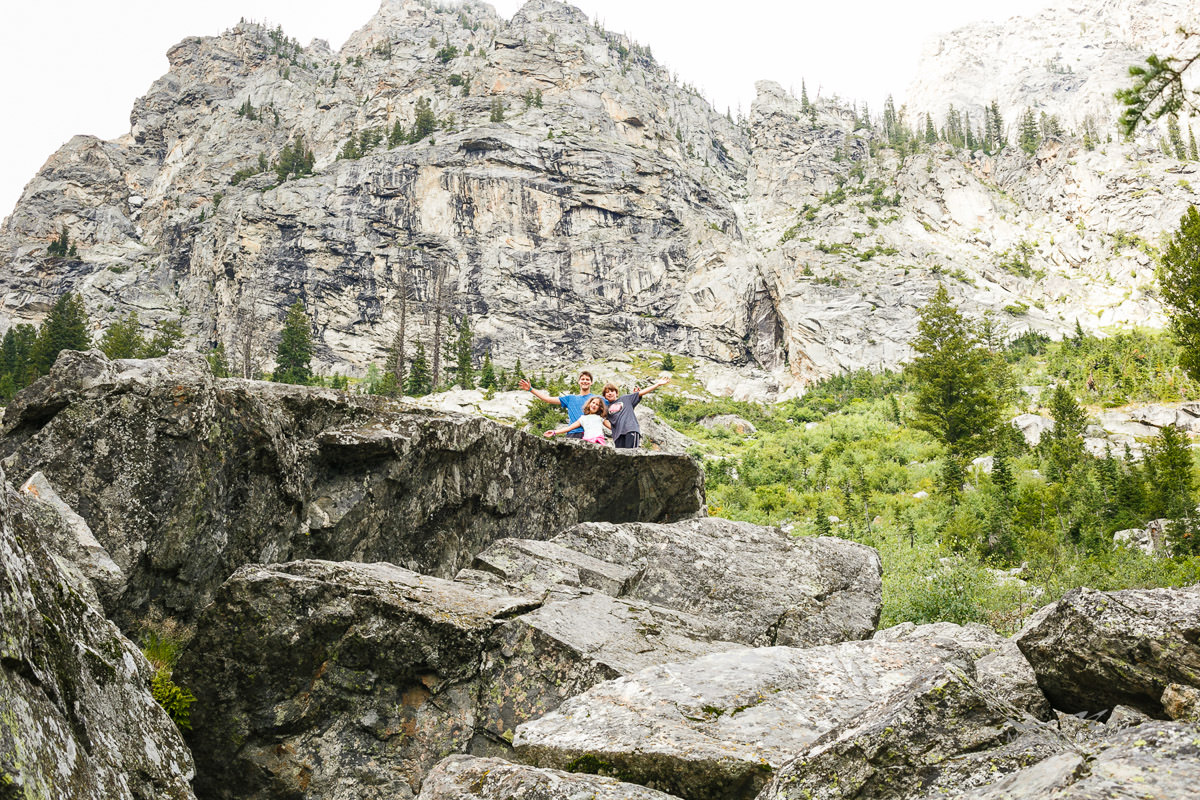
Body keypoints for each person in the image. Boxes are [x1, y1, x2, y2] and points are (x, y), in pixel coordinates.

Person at [520, 371, 599, 439]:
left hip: (591, 434)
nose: (585, 381)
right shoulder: (570, 398)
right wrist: (531, 389)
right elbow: (547, 399)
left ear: (591, 382)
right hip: (573, 433)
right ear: (579, 382)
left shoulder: (597, 399)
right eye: (582, 379)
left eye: (587, 379)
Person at [601, 377, 670, 449]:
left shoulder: (626, 398)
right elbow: (603, 420)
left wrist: (658, 384)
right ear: (604, 396)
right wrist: (615, 428)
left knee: (631, 455)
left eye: (612, 391)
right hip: (618, 436)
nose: (609, 393)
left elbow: (642, 392)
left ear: (616, 393)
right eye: (607, 392)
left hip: (630, 429)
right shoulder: (606, 408)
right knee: (621, 457)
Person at [544, 396, 611, 444]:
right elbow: (569, 428)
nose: (594, 405)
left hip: (599, 441)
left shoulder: (600, 418)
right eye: (593, 403)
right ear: (589, 404)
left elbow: (612, 427)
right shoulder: (583, 418)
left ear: (600, 408)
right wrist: (554, 432)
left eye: (597, 405)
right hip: (587, 441)